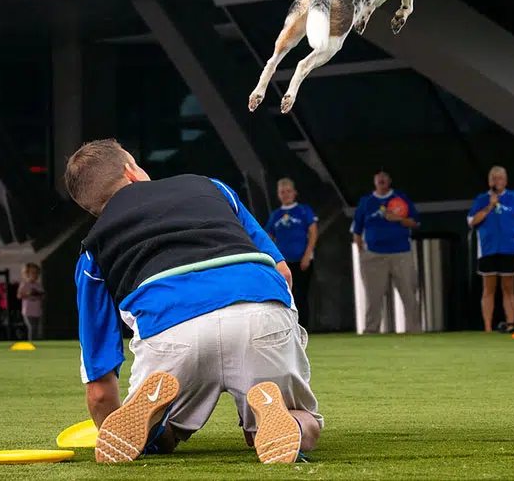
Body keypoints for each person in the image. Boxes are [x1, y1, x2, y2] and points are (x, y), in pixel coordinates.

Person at [64, 138, 322, 465]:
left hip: (172, 331)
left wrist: (108, 432)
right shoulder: (210, 187)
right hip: (258, 309)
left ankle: (153, 430)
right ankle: (279, 421)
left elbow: (100, 384)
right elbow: (283, 272)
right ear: (131, 172)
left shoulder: (92, 250)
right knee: (301, 420)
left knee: (162, 433)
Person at [467, 166, 514, 333]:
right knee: (488, 289)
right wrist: (489, 207)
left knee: (508, 288)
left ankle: (510, 324)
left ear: (506, 181)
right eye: (494, 178)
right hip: (488, 248)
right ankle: (487, 328)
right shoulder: (481, 199)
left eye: (500, 178)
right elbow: (472, 221)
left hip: (510, 247)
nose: (497, 181)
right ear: (489, 181)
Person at [351, 170, 421, 333]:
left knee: (409, 293)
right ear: (374, 181)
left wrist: (399, 219)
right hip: (374, 254)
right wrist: (362, 253)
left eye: (384, 177)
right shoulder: (366, 201)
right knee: (373, 297)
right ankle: (371, 330)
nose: (381, 180)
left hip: (401, 253)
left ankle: (414, 330)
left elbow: (415, 222)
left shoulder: (400, 198)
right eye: (378, 177)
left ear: (389, 180)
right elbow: (357, 230)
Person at [265, 178, 318, 328]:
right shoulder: (275, 215)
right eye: (282, 192)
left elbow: (313, 232)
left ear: (294, 193)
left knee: (301, 295)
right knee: (286, 295)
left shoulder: (303, 210)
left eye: (288, 191)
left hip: (301, 260)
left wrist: (307, 255)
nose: (286, 195)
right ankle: (288, 327)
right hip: (283, 263)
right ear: (278, 194)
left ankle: (304, 327)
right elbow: (268, 237)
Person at [17, 262, 45, 342]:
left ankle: (36, 341)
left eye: (36, 273)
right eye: (33, 273)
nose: (35, 275)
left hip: (37, 311)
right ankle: (31, 342)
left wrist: (37, 294)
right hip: (27, 311)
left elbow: (42, 295)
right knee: (31, 327)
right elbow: (19, 295)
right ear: (27, 274)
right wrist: (28, 293)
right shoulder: (24, 285)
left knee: (36, 328)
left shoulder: (38, 285)